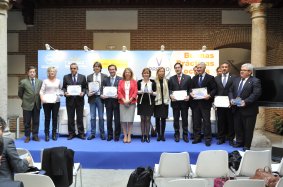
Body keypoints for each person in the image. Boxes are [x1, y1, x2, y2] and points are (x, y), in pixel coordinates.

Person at [229, 63, 261, 151]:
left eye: (244, 70)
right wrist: (231, 99)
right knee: (238, 128)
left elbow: (256, 94)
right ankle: (239, 142)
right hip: (236, 109)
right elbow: (230, 90)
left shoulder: (255, 81)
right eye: (241, 70)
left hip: (249, 110)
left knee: (248, 130)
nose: (241, 71)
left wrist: (245, 102)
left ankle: (247, 146)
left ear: (250, 72)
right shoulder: (236, 79)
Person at [190, 62, 217, 146]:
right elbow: (191, 89)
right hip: (196, 104)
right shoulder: (194, 78)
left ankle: (207, 139)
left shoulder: (210, 78)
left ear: (204, 68)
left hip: (205, 103)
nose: (198, 69)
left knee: (206, 122)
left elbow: (214, 89)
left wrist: (209, 95)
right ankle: (197, 138)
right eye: (197, 68)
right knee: (196, 122)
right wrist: (191, 93)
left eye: (200, 68)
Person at [62, 63, 87, 140]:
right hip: (70, 101)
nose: (73, 70)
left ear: (77, 69)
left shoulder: (82, 77)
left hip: (80, 100)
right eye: (71, 68)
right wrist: (65, 92)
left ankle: (81, 133)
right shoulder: (66, 77)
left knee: (80, 118)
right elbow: (63, 88)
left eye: (74, 68)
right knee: (70, 118)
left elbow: (85, 88)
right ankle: (71, 133)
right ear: (70, 69)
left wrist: (83, 92)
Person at [18, 66, 42, 143]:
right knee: (27, 121)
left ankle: (35, 135)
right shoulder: (23, 82)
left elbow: (41, 93)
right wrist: (26, 99)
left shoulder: (40, 82)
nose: (32, 73)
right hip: (27, 104)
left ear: (35, 73)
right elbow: (20, 94)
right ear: (28, 73)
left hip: (37, 104)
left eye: (33, 72)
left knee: (36, 121)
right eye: (30, 72)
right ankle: (27, 136)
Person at [168, 62, 191, 143]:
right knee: (176, 120)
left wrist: (189, 96)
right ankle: (176, 134)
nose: (177, 69)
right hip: (175, 103)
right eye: (176, 68)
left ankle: (185, 135)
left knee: (185, 119)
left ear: (181, 68)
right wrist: (171, 95)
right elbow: (169, 89)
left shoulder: (188, 77)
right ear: (174, 69)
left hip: (185, 102)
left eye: (178, 67)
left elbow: (190, 89)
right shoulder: (171, 78)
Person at [215, 62, 236, 145]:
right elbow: (215, 90)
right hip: (220, 103)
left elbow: (235, 90)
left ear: (229, 68)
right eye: (222, 67)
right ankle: (221, 138)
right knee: (220, 121)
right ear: (220, 68)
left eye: (226, 67)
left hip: (230, 103)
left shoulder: (234, 78)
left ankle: (231, 139)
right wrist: (214, 101)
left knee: (230, 121)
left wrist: (233, 100)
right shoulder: (216, 78)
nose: (224, 68)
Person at [86, 62, 107, 140]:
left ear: (100, 68)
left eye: (98, 66)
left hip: (100, 98)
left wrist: (104, 94)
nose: (97, 67)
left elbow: (106, 87)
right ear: (93, 67)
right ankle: (92, 133)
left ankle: (102, 133)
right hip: (92, 98)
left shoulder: (105, 76)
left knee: (101, 117)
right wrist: (88, 93)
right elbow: (86, 87)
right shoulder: (89, 77)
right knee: (92, 117)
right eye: (95, 66)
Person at [101, 64, 122, 141]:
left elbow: (122, 90)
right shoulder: (105, 79)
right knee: (109, 119)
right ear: (108, 70)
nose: (112, 71)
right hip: (108, 102)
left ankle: (117, 135)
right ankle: (109, 135)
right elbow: (101, 90)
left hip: (117, 102)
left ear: (115, 70)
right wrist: (102, 95)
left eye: (113, 69)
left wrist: (119, 95)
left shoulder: (120, 79)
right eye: (110, 69)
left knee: (117, 120)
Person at [40, 67, 61, 142]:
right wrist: (42, 99)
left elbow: (60, 90)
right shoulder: (45, 81)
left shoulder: (59, 81)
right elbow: (41, 91)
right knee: (47, 118)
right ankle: (46, 134)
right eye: (50, 71)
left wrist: (61, 94)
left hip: (56, 102)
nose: (52, 72)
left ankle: (54, 134)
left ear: (55, 72)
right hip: (46, 102)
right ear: (48, 72)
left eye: (53, 71)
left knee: (55, 117)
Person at [118, 68, 138, 143]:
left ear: (131, 73)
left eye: (129, 72)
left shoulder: (134, 82)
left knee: (130, 120)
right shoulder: (121, 81)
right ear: (124, 73)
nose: (127, 73)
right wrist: (123, 100)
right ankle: (125, 135)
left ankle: (129, 135)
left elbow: (135, 91)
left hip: (131, 103)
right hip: (122, 103)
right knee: (123, 120)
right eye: (126, 72)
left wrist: (129, 100)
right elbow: (119, 91)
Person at [137, 68, 156, 143]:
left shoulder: (153, 82)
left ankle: (147, 136)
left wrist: (152, 93)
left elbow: (156, 93)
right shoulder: (139, 82)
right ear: (142, 74)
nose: (146, 74)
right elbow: (135, 92)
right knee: (142, 119)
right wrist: (140, 92)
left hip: (150, 102)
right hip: (141, 103)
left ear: (149, 74)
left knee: (148, 119)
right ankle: (142, 135)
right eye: (144, 73)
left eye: (147, 73)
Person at [154, 67, 169, 141]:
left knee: (163, 119)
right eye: (160, 71)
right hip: (157, 102)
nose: (162, 72)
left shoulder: (167, 81)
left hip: (165, 102)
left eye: (163, 71)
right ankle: (158, 135)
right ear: (157, 72)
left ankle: (162, 134)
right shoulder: (154, 81)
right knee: (157, 119)